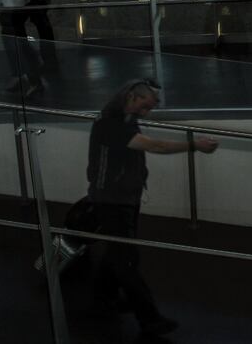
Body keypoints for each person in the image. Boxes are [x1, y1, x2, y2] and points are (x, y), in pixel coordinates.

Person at [87, 78, 219, 337]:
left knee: (119, 251)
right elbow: (155, 145)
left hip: (122, 197)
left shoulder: (124, 118)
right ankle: (149, 319)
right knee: (126, 259)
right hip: (111, 200)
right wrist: (194, 145)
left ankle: (103, 298)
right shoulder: (111, 124)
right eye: (145, 105)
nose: (148, 111)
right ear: (132, 97)